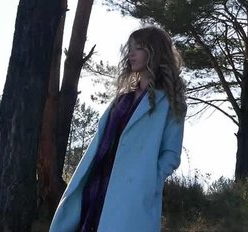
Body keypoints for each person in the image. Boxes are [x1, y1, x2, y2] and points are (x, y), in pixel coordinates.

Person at [50, 26, 187, 232]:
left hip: (132, 191)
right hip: (98, 181)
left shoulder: (169, 102)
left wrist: (149, 180)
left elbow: (171, 154)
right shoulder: (122, 98)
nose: (131, 54)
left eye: (139, 48)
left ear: (155, 52)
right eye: (130, 48)